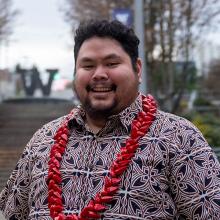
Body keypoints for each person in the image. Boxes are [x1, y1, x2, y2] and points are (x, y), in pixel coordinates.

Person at [0, 19, 220, 220]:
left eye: (112, 64)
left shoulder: (179, 138)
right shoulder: (43, 140)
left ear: (137, 69)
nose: (99, 74)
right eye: (87, 66)